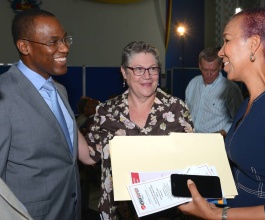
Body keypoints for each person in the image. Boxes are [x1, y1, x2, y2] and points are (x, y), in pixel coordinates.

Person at [178, 8, 265, 219]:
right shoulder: (248, 103)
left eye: (227, 40)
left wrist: (219, 214)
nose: (221, 52)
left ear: (253, 44)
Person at [78, 41, 194, 219]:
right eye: (138, 69)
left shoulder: (176, 109)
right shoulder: (107, 111)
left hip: (167, 211)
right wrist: (65, 118)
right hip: (119, 211)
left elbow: (190, 161)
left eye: (153, 68)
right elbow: (89, 156)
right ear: (124, 72)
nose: (147, 76)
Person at [0, 9, 81, 219]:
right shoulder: (4, 96)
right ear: (24, 46)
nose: (65, 48)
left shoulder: (59, 90)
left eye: (64, 39)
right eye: (53, 42)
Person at [185, 47, 243, 136]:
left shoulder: (230, 89)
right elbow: (187, 112)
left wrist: (220, 134)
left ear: (220, 67)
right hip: (192, 139)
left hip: (218, 141)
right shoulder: (193, 83)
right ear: (200, 66)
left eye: (213, 70)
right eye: (205, 70)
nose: (208, 74)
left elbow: (239, 119)